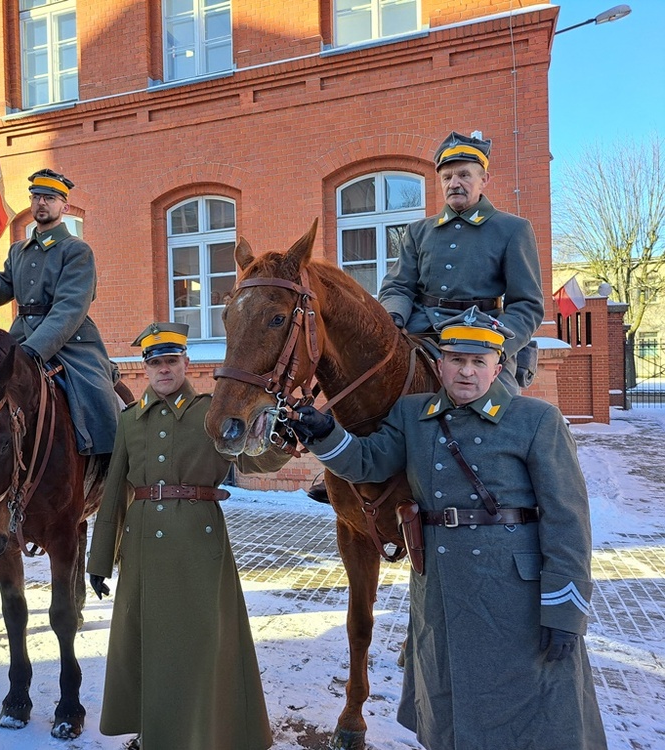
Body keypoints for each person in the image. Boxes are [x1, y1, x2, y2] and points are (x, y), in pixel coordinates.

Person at [288, 307, 607, 750]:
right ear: (439, 365)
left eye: (479, 361)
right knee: (448, 711)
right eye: (457, 359)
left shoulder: (536, 420)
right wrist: (326, 433)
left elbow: (567, 520)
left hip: (514, 596)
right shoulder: (412, 415)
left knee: (529, 715)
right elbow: (367, 462)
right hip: (441, 592)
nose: (467, 371)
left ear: (498, 365)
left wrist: (565, 610)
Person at [86, 323, 291, 750]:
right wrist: (100, 559)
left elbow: (253, 460)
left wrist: (280, 436)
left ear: (186, 363)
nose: (164, 369)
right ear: (145, 369)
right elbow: (115, 491)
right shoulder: (130, 420)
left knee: (203, 644)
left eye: (171, 361)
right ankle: (153, 733)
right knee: (147, 645)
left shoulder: (211, 413)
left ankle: (207, 732)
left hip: (199, 543)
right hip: (143, 546)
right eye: (156, 363)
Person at [0, 168, 119, 456]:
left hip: (70, 342)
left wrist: (32, 351)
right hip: (20, 338)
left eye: (50, 198)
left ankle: (108, 461)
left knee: (97, 395)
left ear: (64, 207)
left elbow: (69, 308)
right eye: (36, 197)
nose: (42, 203)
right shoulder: (19, 250)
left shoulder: (76, 250)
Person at [379, 130, 544, 392]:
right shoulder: (418, 231)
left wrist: (497, 346)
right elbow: (398, 286)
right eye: (447, 177)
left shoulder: (512, 229)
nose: (454, 183)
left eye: (464, 175)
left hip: (483, 335)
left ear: (484, 179)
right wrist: (393, 317)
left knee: (501, 407)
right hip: (422, 333)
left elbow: (527, 304)